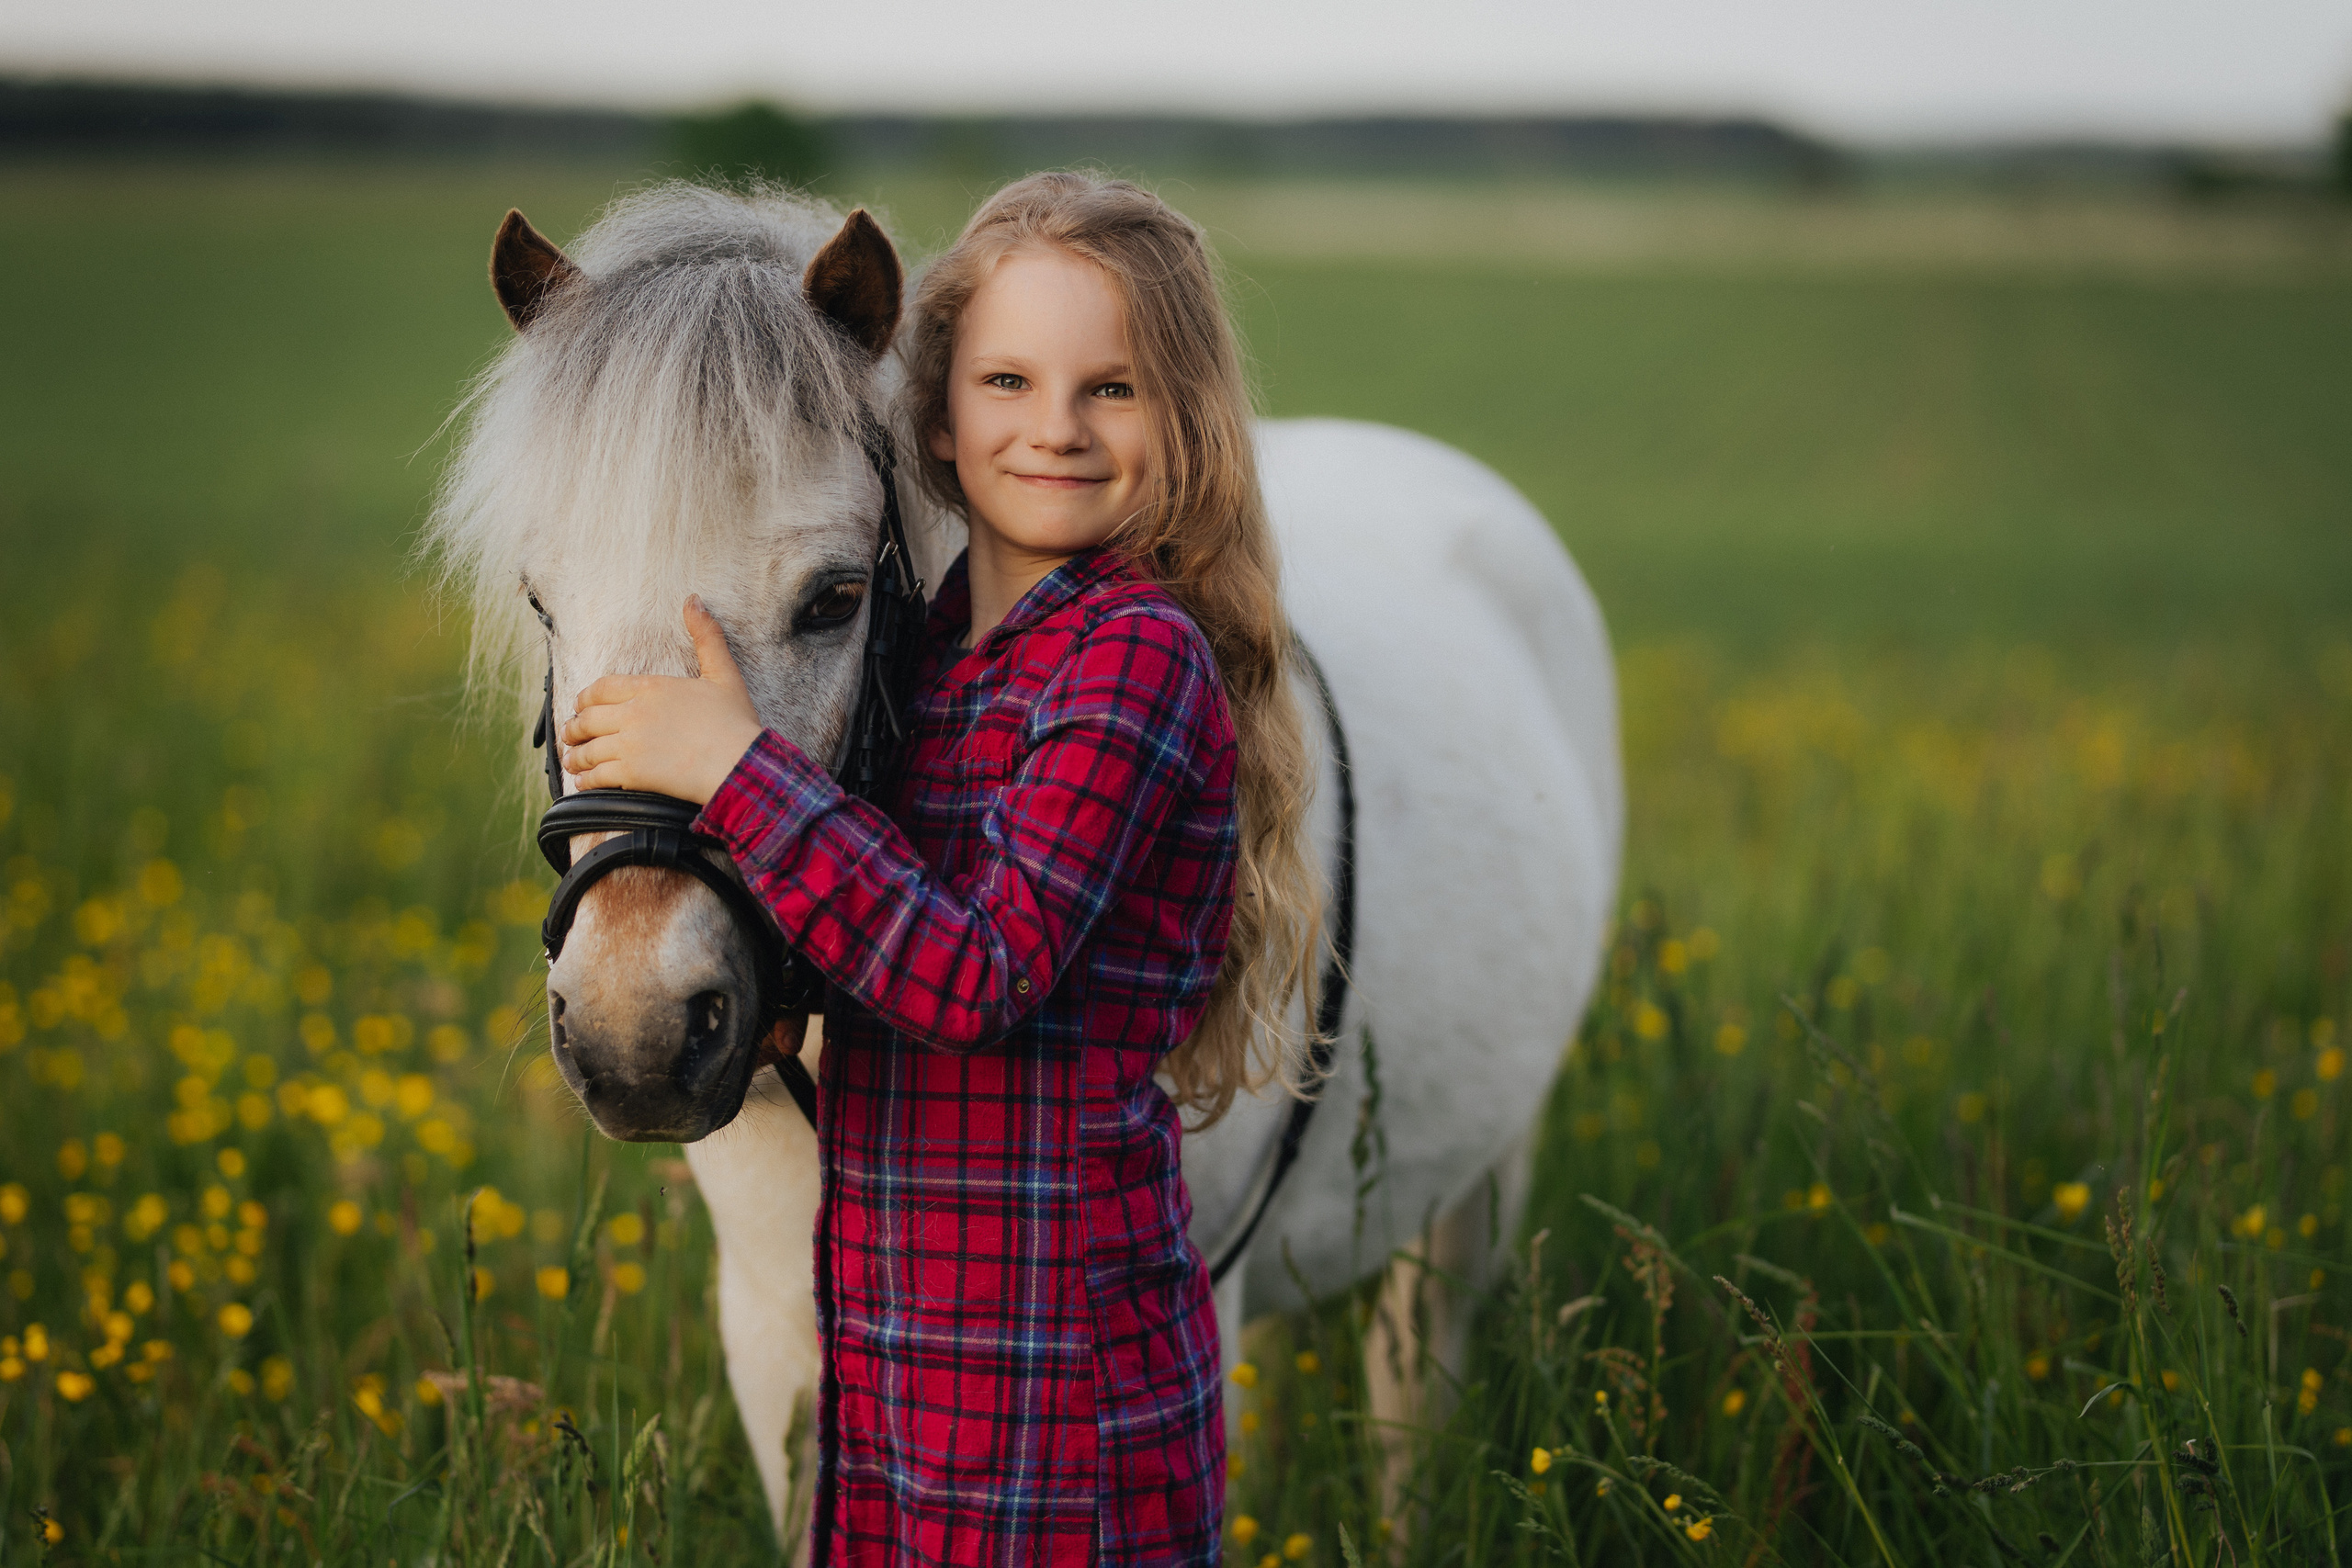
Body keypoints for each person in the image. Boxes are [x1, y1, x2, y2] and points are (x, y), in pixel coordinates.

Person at [554, 171, 1321, 1565]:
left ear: (1185, 421)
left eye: (1115, 390)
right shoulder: (932, 656)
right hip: (905, 1368)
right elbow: (880, 890)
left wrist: (737, 769)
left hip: (1059, 1388)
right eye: (1010, 378)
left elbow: (978, 968)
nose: (1052, 429)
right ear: (937, 407)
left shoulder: (1134, 661)